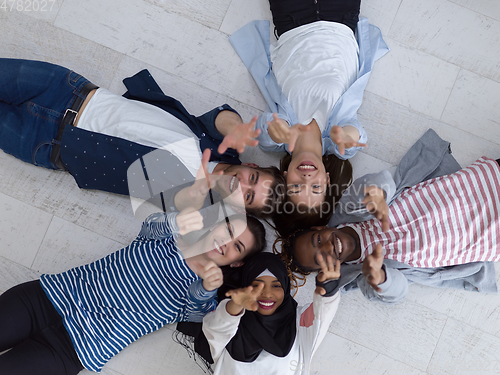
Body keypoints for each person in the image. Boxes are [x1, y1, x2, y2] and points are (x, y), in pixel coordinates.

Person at [0, 58, 285, 218]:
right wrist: (236, 125)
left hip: (45, 143)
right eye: (253, 180)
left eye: (248, 196)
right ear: (254, 167)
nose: (242, 184)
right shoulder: (219, 145)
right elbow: (219, 117)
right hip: (71, 91)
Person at [0, 209, 266, 375]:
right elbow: (152, 224)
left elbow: (197, 315)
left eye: (237, 246)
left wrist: (207, 287)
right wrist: (179, 220)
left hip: (74, 348)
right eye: (229, 229)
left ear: (237, 262)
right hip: (46, 298)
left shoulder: (205, 293)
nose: (226, 241)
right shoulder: (167, 238)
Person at [229, 0, 389, 233]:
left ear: (284, 178)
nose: (306, 178)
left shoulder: (276, 141)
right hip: (340, 21)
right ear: (326, 179)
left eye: (295, 186)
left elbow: (266, 129)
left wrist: (279, 128)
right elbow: (357, 135)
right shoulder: (338, 145)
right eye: (315, 187)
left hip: (293, 22)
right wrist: (347, 136)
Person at [281, 150, 500, 303]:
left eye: (319, 241)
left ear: (320, 228)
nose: (328, 248)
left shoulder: (348, 208)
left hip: (479, 187)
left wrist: (377, 194)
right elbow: (397, 291)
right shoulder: (361, 277)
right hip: (488, 236)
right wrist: (380, 278)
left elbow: (381, 180)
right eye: (322, 259)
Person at [198, 252, 341, 374]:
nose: (266, 293)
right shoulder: (232, 327)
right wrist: (237, 304)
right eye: (256, 285)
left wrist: (328, 288)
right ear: (245, 287)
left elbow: (321, 317)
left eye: (276, 285)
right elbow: (215, 327)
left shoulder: (298, 326)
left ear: (285, 287)